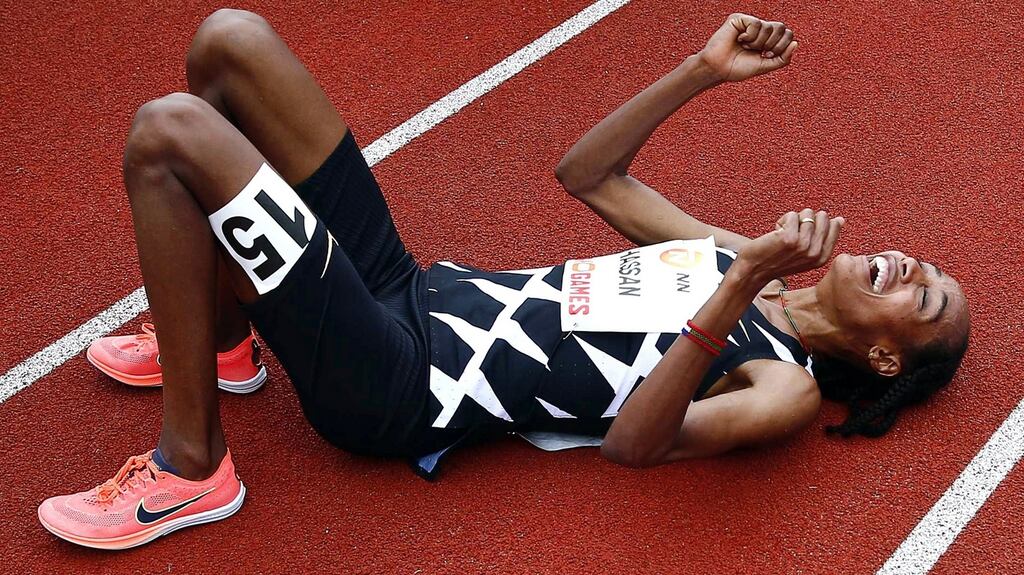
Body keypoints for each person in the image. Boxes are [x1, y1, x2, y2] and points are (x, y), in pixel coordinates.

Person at [38, 10, 969, 550]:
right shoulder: (741, 260)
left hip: (401, 384)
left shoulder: (786, 388)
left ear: (885, 355)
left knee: (171, 133)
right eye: (927, 268)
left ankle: (193, 466)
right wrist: (701, 71)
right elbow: (588, 176)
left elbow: (637, 445)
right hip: (405, 289)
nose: (915, 269)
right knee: (230, 45)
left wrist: (739, 286)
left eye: (922, 297)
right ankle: (222, 342)